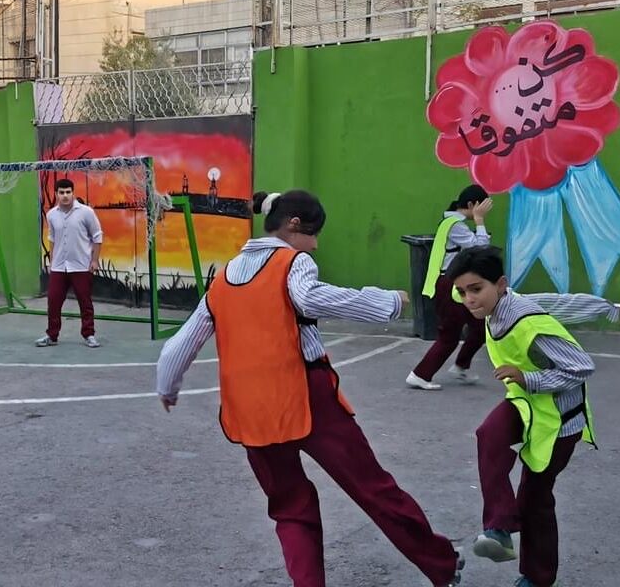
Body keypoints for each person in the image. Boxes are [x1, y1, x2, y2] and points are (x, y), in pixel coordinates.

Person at [155, 190, 464, 587]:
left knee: (290, 507)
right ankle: (440, 563)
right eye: (314, 233)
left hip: (250, 408)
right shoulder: (293, 262)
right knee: (373, 487)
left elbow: (185, 338)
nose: (316, 244)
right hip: (306, 394)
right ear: (294, 225)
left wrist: (168, 384)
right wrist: (385, 302)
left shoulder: (224, 277)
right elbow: (308, 297)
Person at [446, 246, 620, 587]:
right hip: (526, 405)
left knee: (535, 498)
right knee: (489, 433)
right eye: (462, 292)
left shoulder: (526, 321)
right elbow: (561, 302)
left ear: (501, 285)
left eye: (476, 290)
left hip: (560, 417)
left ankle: (537, 578)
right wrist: (610, 308)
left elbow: (581, 367)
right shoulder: (503, 302)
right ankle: (499, 529)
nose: (469, 299)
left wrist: (527, 377)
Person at [407, 184, 494, 390]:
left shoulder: (454, 222)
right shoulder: (454, 224)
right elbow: (480, 247)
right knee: (449, 335)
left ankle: (461, 367)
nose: (483, 213)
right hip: (450, 286)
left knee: (480, 327)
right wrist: (480, 221)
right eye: (481, 208)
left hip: (456, 283)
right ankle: (420, 375)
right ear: (472, 205)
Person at [36, 178, 103, 348]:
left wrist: (94, 260)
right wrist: (52, 260)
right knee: (53, 301)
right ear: (56, 194)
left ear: (73, 193)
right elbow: (52, 237)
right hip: (59, 266)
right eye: (61, 192)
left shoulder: (86, 212)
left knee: (85, 302)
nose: (65, 196)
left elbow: (97, 236)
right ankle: (52, 335)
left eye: (68, 192)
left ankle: (89, 334)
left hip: (81, 265)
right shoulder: (51, 214)